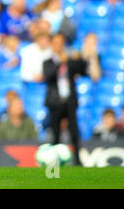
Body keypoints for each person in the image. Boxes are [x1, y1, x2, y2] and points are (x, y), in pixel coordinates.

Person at [43, 33, 89, 166]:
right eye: (56, 43)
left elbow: (83, 71)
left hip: (69, 100)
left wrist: (80, 58)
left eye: (61, 42)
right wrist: (59, 63)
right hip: (55, 101)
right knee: (55, 132)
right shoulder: (48, 61)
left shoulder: (69, 61)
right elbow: (48, 76)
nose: (59, 45)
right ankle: (54, 162)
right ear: (52, 44)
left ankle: (77, 160)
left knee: (74, 131)